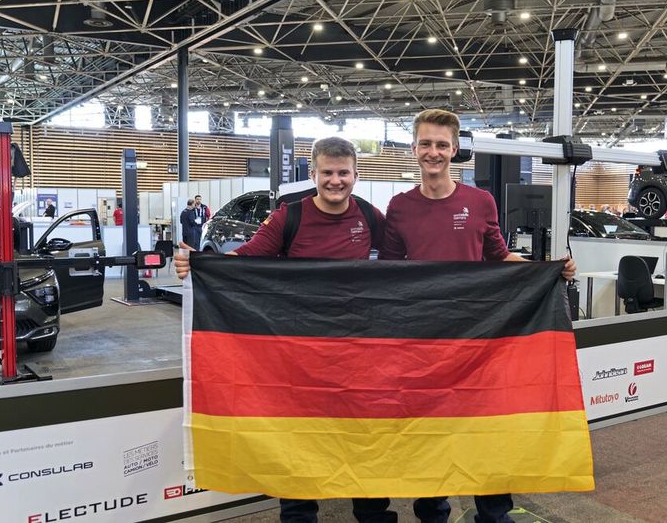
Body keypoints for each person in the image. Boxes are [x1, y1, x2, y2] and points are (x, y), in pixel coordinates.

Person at [174, 136, 394, 523]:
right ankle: (298, 517)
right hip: (300, 354)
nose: (336, 180)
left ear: (356, 175)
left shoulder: (370, 217)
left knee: (364, 439)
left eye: (344, 173)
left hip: (358, 354)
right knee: (300, 439)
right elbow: (243, 260)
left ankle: (373, 515)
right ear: (313, 173)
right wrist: (199, 265)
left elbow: (405, 267)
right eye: (328, 172)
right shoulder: (289, 217)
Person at [380, 109, 576, 523]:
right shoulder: (398, 207)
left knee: (488, 428)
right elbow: (391, 274)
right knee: (429, 434)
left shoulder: (479, 201)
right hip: (425, 342)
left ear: (455, 150)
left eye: (442, 145)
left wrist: (546, 270)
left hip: (478, 339)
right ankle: (432, 512)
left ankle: (494, 513)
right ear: (414, 149)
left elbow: (498, 256)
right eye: (426, 144)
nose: (434, 153)